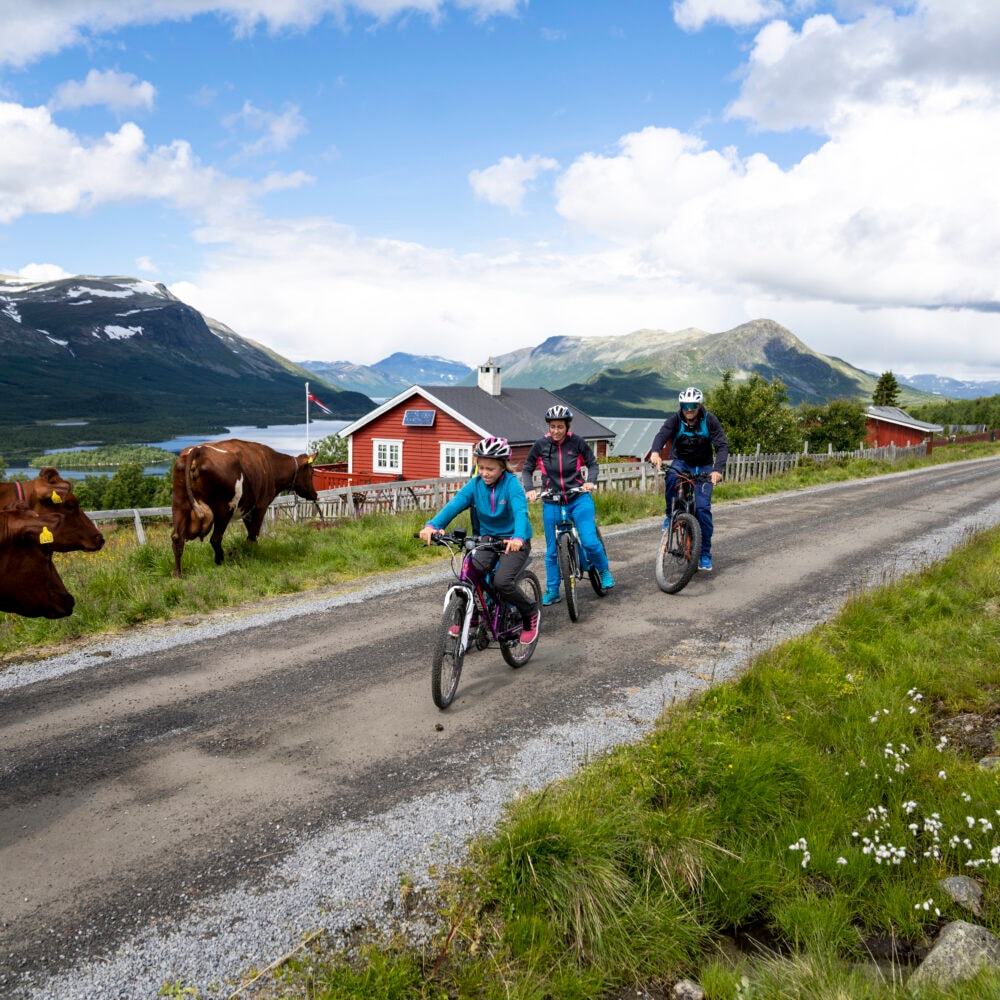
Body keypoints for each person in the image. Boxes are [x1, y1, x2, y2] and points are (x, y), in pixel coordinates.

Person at [419, 436, 539, 644]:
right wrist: (433, 525)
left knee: (502, 581)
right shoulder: (475, 485)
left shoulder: (512, 485)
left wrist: (518, 537)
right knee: (470, 574)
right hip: (487, 540)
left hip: (513, 541)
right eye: (481, 467)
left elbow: (521, 511)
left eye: (490, 469)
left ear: (502, 467)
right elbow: (455, 505)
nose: (484, 473)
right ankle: (471, 617)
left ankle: (529, 612)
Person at [522, 404, 614, 605]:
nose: (555, 431)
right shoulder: (540, 445)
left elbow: (593, 464)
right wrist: (529, 488)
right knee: (551, 551)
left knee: (589, 541)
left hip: (578, 498)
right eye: (552, 426)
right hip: (552, 500)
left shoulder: (577, 443)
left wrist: (590, 482)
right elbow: (527, 468)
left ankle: (603, 569)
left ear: (567, 426)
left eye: (560, 427)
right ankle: (553, 590)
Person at [648, 387, 729, 572]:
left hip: (704, 467)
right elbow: (662, 435)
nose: (689, 409)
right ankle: (670, 514)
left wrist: (717, 470)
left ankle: (705, 553)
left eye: (693, 405)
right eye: (685, 405)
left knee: (702, 509)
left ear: (699, 405)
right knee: (670, 477)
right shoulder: (675, 419)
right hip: (682, 462)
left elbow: (722, 446)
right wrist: (655, 452)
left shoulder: (710, 420)